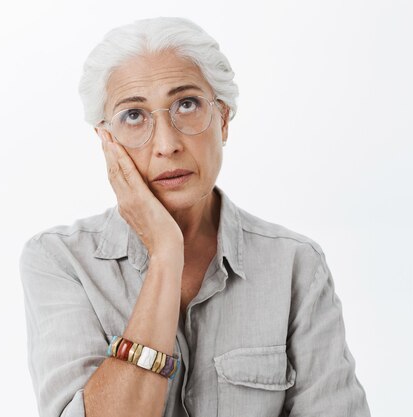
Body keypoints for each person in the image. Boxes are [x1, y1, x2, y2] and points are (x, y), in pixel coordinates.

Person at [19, 16, 371, 417]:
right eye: (134, 115)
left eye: (186, 105)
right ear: (107, 141)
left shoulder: (295, 265)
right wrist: (166, 255)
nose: (166, 144)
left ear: (222, 119)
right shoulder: (59, 261)